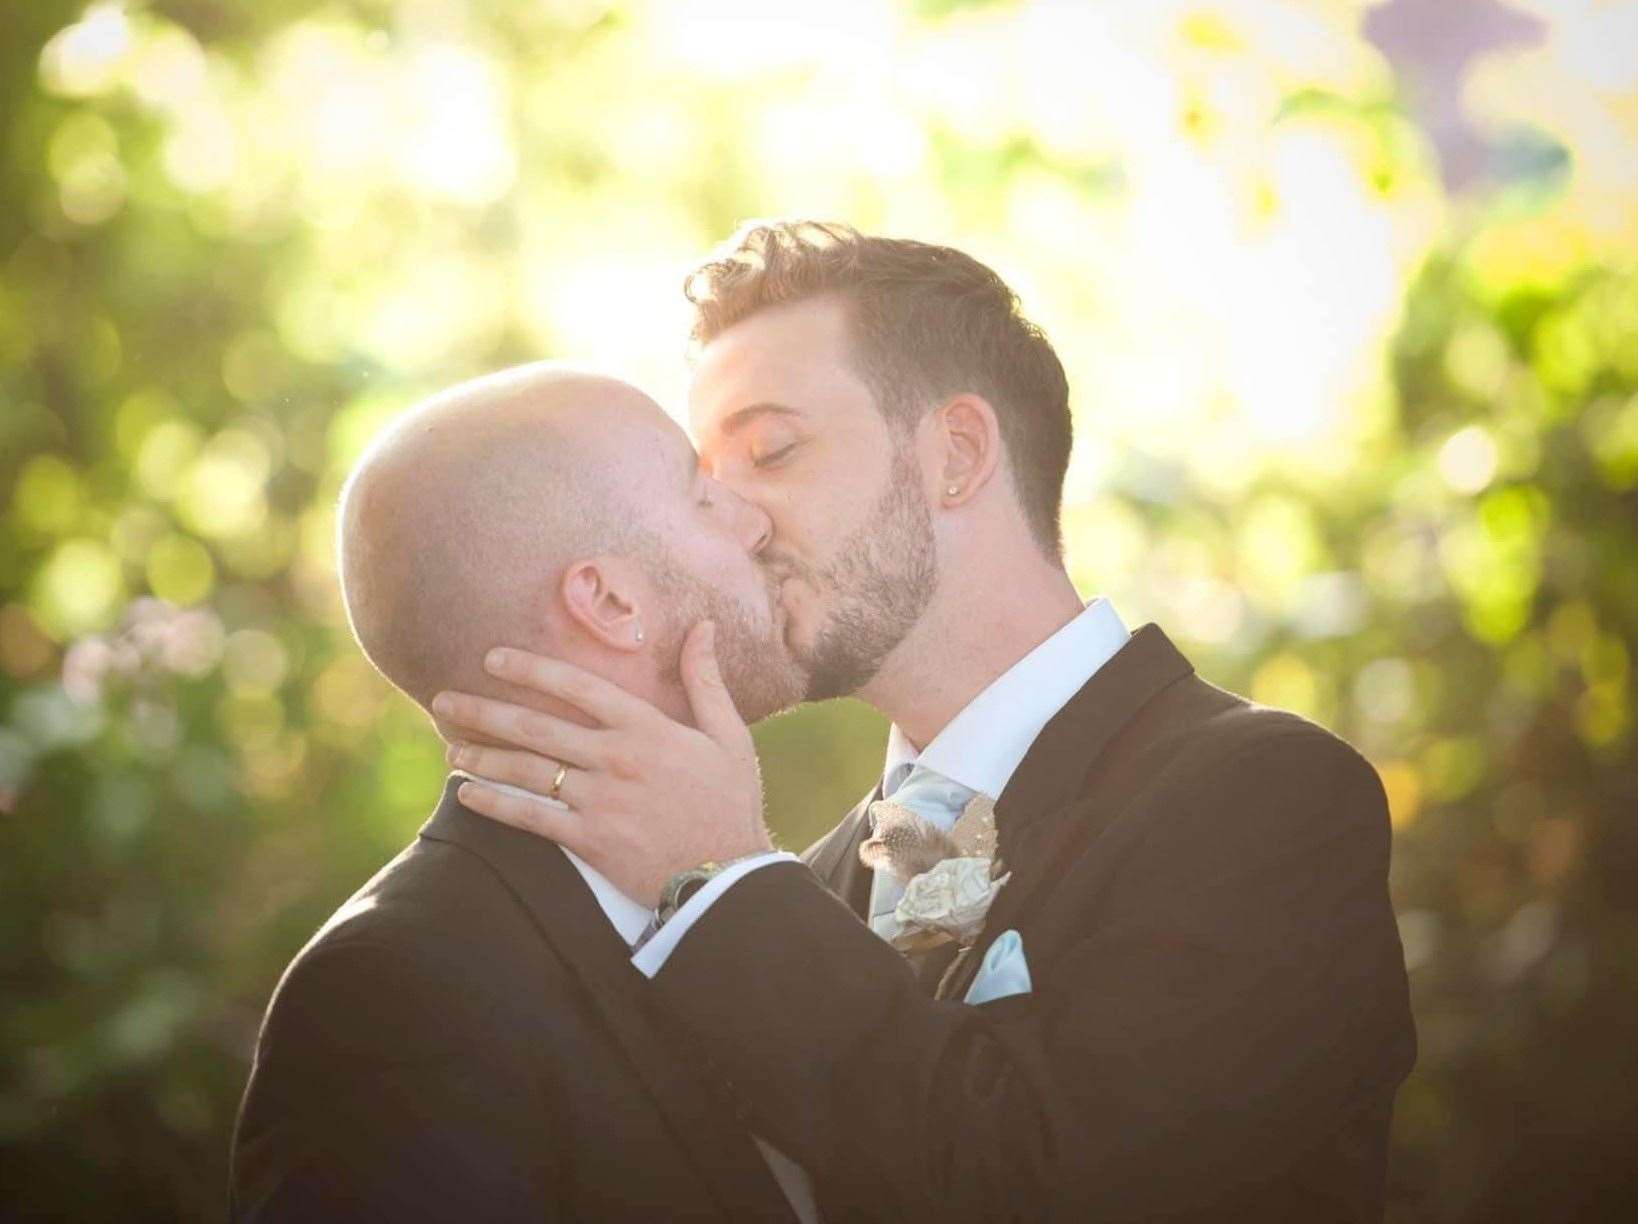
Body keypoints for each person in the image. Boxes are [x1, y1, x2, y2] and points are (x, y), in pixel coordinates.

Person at [437, 222, 1419, 1222]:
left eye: (772, 450)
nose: (734, 523)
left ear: (956, 454)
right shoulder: (810, 887)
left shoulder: (1264, 802)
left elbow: (1057, 1188)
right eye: (710, 485)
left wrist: (721, 877)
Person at [229, 365, 819, 1221]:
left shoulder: (795, 884)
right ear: (609, 601)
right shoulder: (395, 1000)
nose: (755, 518)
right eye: (702, 498)